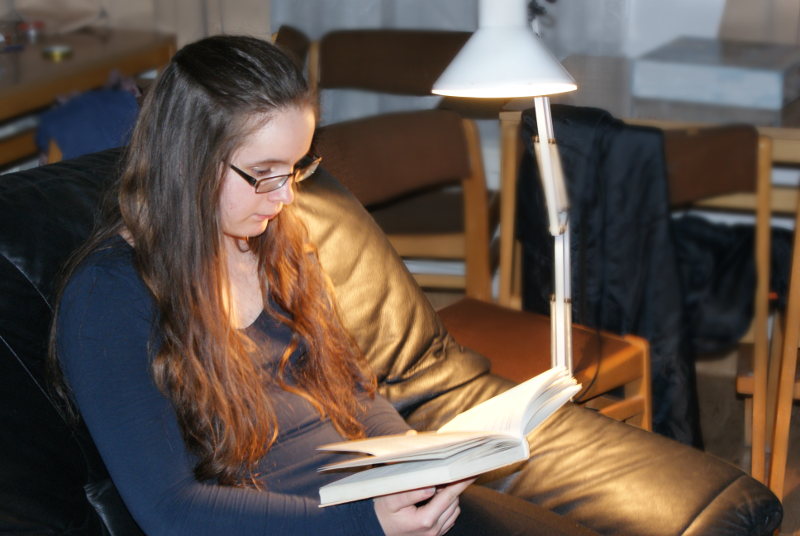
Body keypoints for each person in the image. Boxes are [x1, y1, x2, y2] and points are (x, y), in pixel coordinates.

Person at [50, 35, 594, 536]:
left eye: (295, 168)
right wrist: (367, 522)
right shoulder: (110, 297)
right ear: (188, 159)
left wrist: (413, 459)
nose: (286, 196)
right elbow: (172, 511)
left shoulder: (273, 241)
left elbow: (354, 393)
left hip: (367, 504)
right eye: (265, 172)